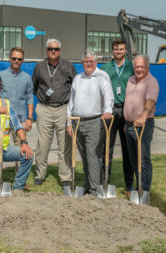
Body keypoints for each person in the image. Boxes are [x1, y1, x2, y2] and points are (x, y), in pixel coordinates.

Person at [67, 50, 113, 196]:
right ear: (82, 63)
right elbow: (71, 101)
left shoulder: (101, 76)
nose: (89, 64)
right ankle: (87, 184)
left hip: (95, 121)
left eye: (91, 61)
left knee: (93, 154)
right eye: (86, 61)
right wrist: (69, 122)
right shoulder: (78, 78)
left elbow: (108, 95)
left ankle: (95, 188)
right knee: (84, 155)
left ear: (96, 62)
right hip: (77, 121)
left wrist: (107, 110)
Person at [32, 38, 77, 187]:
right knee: (42, 144)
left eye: (56, 49)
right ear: (46, 50)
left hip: (63, 108)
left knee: (65, 144)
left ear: (60, 51)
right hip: (44, 108)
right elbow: (35, 86)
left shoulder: (68, 66)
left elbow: (74, 86)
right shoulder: (39, 67)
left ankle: (65, 177)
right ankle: (40, 174)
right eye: (50, 49)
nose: (53, 51)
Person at [100, 38, 134, 197]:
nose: (118, 51)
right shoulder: (105, 68)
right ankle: (104, 183)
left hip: (126, 110)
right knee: (107, 148)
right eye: (116, 49)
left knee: (128, 150)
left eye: (121, 49)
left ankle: (129, 185)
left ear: (125, 50)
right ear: (112, 50)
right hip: (110, 111)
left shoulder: (132, 67)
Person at [124, 55, 159, 205]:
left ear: (147, 68)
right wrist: (127, 122)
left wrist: (144, 115)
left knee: (143, 159)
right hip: (129, 125)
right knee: (133, 159)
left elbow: (151, 101)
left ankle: (144, 190)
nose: (138, 69)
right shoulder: (131, 80)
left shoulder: (152, 82)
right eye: (136, 66)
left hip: (143, 126)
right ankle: (138, 187)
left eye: (141, 67)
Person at [0, 47, 34, 174]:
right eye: (14, 58)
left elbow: (30, 97)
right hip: (3, 118)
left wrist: (30, 118)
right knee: (0, 146)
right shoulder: (1, 76)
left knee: (22, 148)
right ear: (9, 59)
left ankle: (20, 178)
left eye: (19, 59)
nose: (16, 61)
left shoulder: (27, 77)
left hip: (21, 119)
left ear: (23, 60)